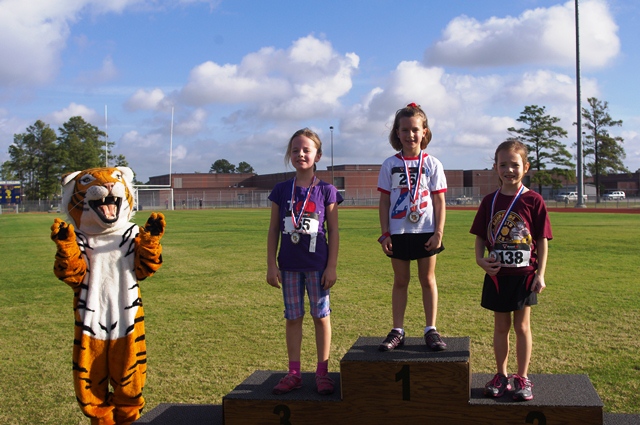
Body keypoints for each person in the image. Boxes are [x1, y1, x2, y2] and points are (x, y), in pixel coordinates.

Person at [469, 139, 552, 401]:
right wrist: (480, 260)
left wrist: (540, 274)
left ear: (525, 167)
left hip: (524, 276)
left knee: (522, 327)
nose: (509, 170)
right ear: (495, 167)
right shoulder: (490, 201)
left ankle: (523, 377)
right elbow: (480, 236)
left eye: (515, 165)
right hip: (497, 276)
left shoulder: (533, 200)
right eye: (503, 165)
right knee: (501, 327)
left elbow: (542, 240)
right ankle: (501, 375)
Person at [266, 128, 343, 396]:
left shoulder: (327, 190)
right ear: (290, 155)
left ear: (317, 156)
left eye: (306, 150)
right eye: (295, 150)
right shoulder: (280, 190)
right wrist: (271, 264)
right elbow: (273, 229)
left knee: (321, 317)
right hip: (289, 266)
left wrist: (331, 266)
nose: (301, 154)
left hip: (318, 267)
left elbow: (334, 231)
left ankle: (322, 372)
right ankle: (294, 373)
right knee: (293, 318)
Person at [377, 103, 447, 352]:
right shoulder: (389, 164)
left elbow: (439, 201)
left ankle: (431, 329)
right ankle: (397, 330)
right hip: (398, 231)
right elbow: (384, 201)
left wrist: (439, 232)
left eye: (415, 129)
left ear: (424, 131)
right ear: (397, 132)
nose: (410, 135)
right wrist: (385, 233)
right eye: (405, 130)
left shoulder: (433, 164)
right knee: (400, 280)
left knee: (427, 279)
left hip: (426, 230)